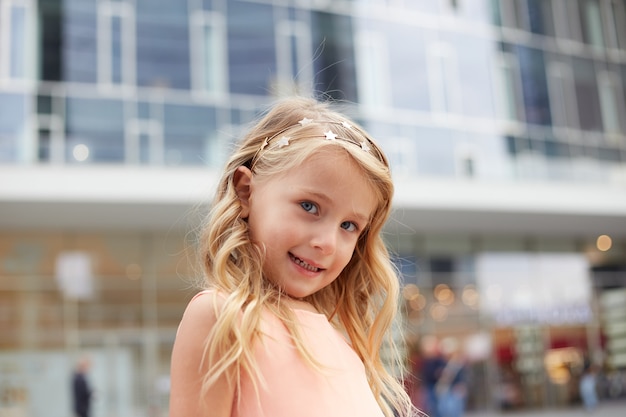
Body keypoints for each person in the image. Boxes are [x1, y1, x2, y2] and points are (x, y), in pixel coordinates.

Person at [169, 96, 416, 417]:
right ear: (245, 191)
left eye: (349, 225)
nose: (327, 243)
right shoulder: (222, 317)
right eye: (309, 206)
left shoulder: (343, 343)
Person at [435, 339, 467, 417]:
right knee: (443, 409)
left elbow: (463, 376)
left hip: (456, 388)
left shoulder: (458, 362)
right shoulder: (442, 362)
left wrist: (461, 385)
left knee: (454, 409)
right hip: (445, 388)